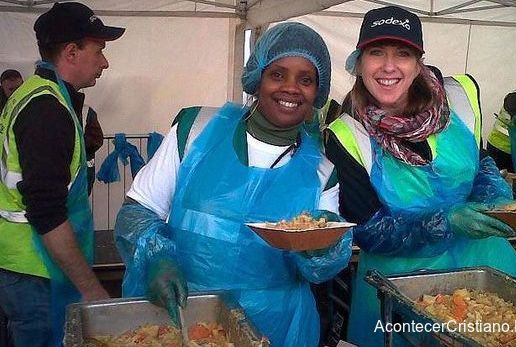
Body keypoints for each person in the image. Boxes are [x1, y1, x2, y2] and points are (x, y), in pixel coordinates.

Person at [115, 22, 352, 347]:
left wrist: (325, 247)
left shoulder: (322, 171)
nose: (292, 88)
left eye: (306, 79)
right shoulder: (197, 131)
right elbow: (138, 211)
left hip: (277, 327)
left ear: (318, 91)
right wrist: (157, 256)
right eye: (278, 74)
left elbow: (321, 271)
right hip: (184, 316)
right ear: (257, 79)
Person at [324, 6, 516, 346]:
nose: (389, 66)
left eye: (403, 54)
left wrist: (496, 201)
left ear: (418, 62)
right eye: (376, 52)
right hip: (398, 288)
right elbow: (369, 232)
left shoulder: (458, 103)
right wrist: (446, 223)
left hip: (483, 270)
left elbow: (480, 164)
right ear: (359, 62)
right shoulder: (347, 134)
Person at [0, 2, 124, 346]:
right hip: (36, 274)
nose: (104, 62)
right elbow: (46, 212)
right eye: (98, 50)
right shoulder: (47, 110)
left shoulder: (39, 95)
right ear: (71, 52)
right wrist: (91, 289)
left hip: (25, 268)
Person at [82, 104, 104, 195]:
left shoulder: (86, 111)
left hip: (84, 169)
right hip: (84, 169)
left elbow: (96, 140)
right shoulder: (86, 111)